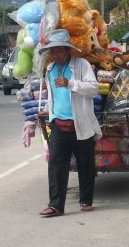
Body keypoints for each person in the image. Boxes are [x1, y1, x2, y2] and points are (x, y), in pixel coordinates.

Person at [38, 29, 102, 217]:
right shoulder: (50, 69)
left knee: (85, 164)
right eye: (53, 51)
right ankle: (55, 205)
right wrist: (47, 112)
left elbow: (93, 89)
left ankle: (86, 200)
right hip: (58, 123)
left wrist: (70, 83)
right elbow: (55, 97)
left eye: (60, 51)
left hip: (80, 122)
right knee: (56, 164)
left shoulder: (81, 65)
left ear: (68, 50)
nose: (56, 55)